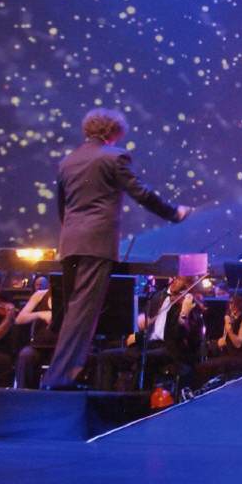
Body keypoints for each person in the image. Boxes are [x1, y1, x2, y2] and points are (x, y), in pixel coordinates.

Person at [42, 108, 192, 390]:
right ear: (112, 131)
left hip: (70, 242)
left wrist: (73, 234)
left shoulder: (68, 161)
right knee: (82, 314)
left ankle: (59, 377)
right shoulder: (114, 157)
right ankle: (59, 380)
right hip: (96, 243)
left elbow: (62, 207)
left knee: (72, 313)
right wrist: (175, 213)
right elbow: (141, 193)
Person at [97, 276, 205, 391]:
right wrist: (141, 321)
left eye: (178, 278)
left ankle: (135, 397)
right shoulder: (158, 296)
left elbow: (181, 334)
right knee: (106, 355)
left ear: (187, 283)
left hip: (171, 348)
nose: (173, 280)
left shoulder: (189, 302)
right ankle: (103, 396)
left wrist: (183, 315)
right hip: (149, 344)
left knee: (144, 358)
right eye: (172, 277)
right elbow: (147, 321)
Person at [194, 293, 242, 387]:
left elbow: (238, 343)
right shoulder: (233, 319)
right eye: (230, 303)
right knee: (203, 364)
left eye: (234, 303)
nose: (231, 306)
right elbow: (225, 341)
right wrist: (210, 344)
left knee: (208, 367)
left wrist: (229, 330)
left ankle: (202, 388)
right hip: (231, 355)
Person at [15, 275, 55, 389]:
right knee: (25, 356)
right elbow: (19, 319)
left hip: (60, 346)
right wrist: (40, 314)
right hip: (39, 345)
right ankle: (26, 395)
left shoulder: (71, 297)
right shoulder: (40, 295)